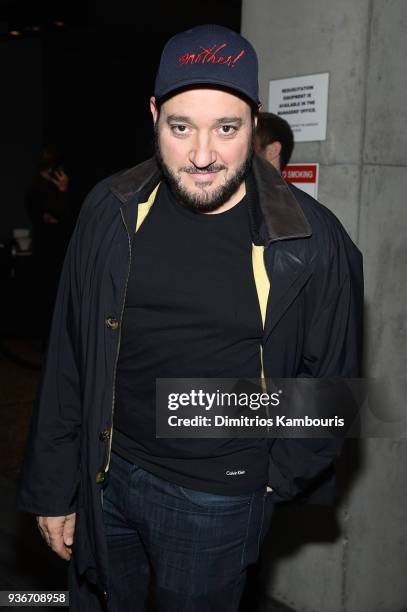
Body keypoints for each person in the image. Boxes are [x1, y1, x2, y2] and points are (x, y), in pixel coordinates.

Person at [17, 24, 363, 612]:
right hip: (105, 473)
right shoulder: (110, 208)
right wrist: (54, 483)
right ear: (154, 114)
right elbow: (72, 353)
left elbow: (329, 389)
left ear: (254, 121)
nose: (203, 155)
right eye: (181, 128)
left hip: (217, 499)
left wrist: (269, 475)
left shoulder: (313, 238)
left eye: (226, 128)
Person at [25, 146, 72, 345]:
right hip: (49, 250)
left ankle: (47, 341)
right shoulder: (40, 188)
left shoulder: (39, 186)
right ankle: (46, 342)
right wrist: (62, 190)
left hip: (51, 249)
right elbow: (58, 213)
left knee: (49, 294)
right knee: (49, 295)